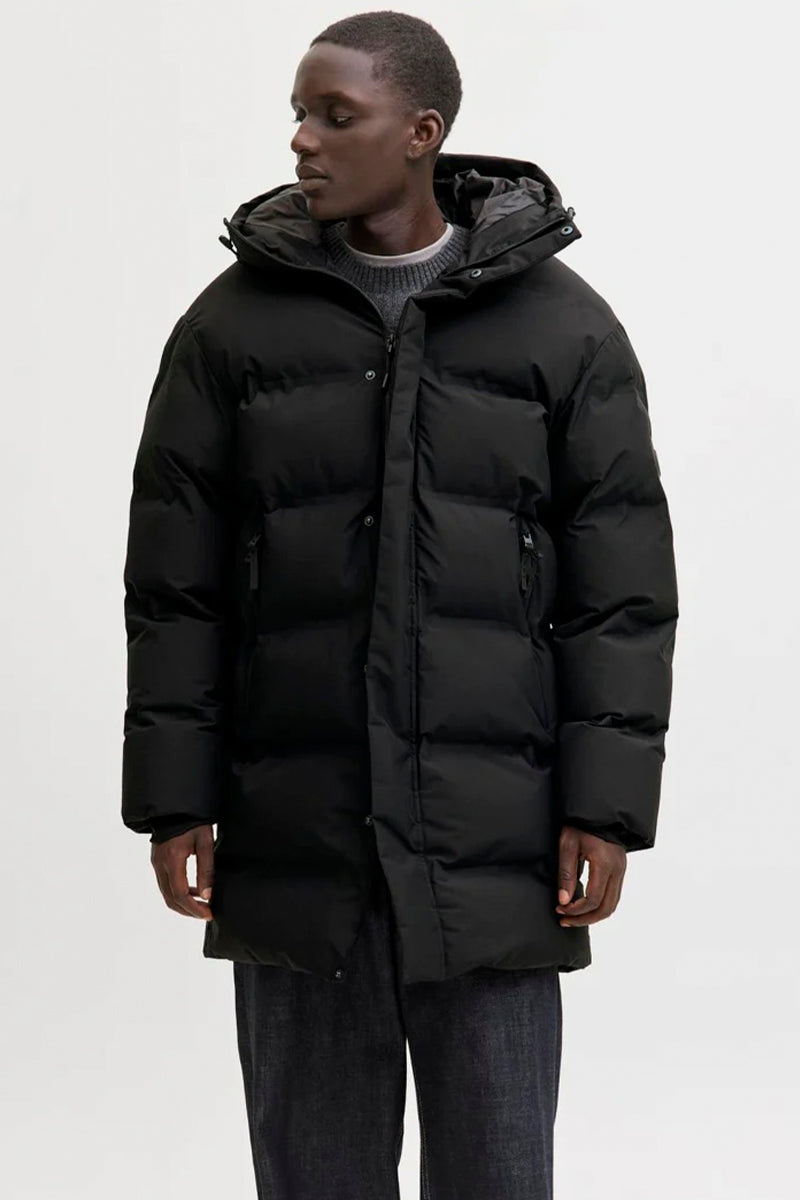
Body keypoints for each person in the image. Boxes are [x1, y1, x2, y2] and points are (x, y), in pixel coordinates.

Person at [121, 10, 679, 1199]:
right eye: (298, 114)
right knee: (312, 1176)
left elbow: (620, 594)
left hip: (493, 852)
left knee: (497, 1173)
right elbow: (175, 587)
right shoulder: (229, 329)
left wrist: (602, 808)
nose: (301, 140)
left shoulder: (563, 330)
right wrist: (174, 799)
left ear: (420, 133)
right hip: (297, 837)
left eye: (336, 115)